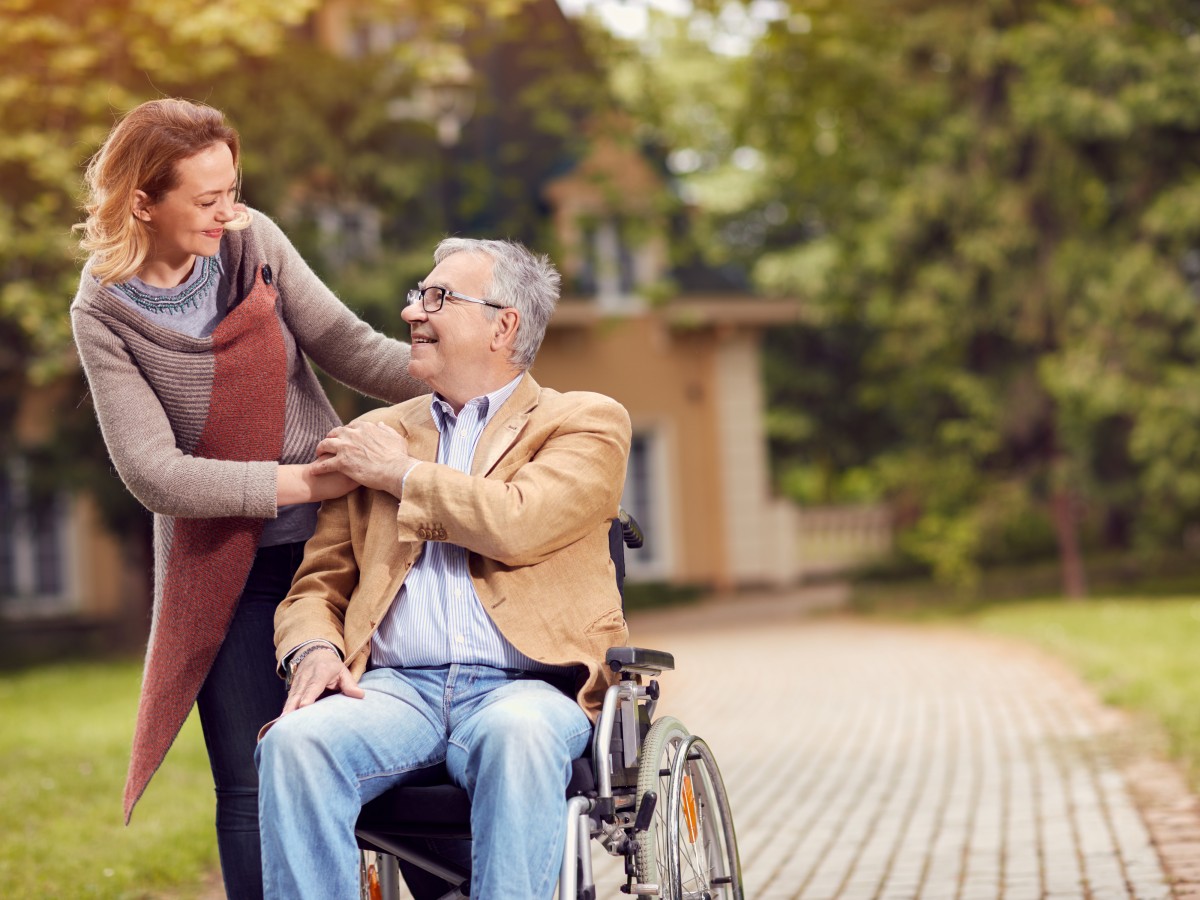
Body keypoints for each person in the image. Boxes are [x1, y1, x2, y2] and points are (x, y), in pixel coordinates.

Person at [70, 97, 428, 900]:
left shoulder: (250, 242)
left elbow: (348, 347)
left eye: (233, 189)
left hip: (341, 546)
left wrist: (473, 374)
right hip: (226, 565)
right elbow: (152, 472)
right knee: (251, 778)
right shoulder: (103, 312)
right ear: (142, 203)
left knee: (401, 748)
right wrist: (298, 482)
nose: (227, 212)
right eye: (206, 199)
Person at [255, 237, 632, 900]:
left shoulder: (585, 423)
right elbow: (320, 583)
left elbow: (518, 522)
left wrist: (399, 475)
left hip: (526, 688)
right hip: (397, 690)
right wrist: (313, 647)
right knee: (294, 744)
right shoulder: (382, 434)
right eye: (414, 296)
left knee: (518, 737)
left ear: (503, 324)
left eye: (437, 298)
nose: (411, 313)